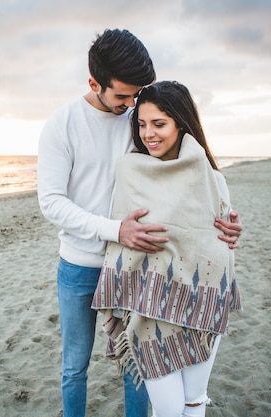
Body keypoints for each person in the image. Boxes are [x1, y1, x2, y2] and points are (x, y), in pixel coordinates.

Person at [37, 29, 243, 417]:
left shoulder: (142, 119)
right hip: (81, 264)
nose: (131, 105)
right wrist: (117, 230)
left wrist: (227, 216)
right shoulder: (62, 124)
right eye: (122, 96)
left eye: (136, 94)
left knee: (139, 364)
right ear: (94, 83)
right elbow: (51, 203)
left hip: (141, 265)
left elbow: (190, 176)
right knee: (74, 367)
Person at [91, 80, 243, 417]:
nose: (149, 134)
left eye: (159, 124)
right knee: (168, 409)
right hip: (148, 306)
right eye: (142, 124)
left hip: (203, 303)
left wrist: (233, 231)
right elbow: (120, 232)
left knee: (194, 400)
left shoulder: (211, 177)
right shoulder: (130, 170)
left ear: (181, 123)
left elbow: (218, 234)